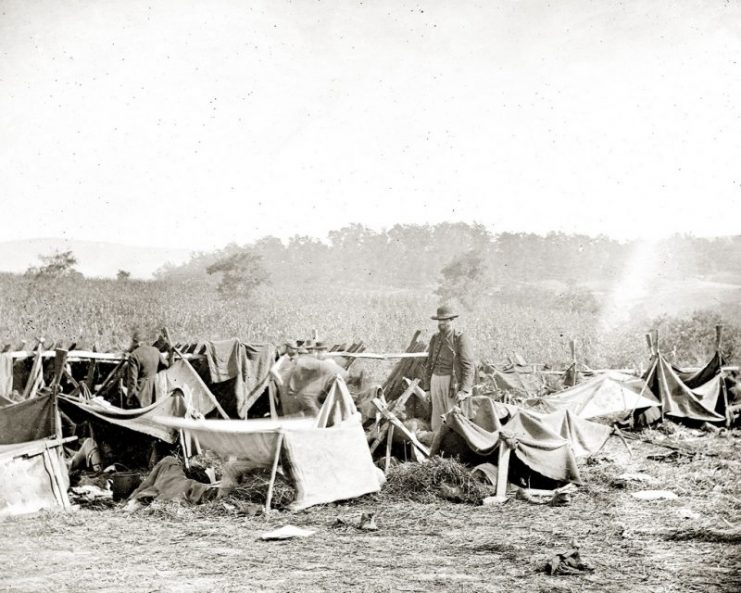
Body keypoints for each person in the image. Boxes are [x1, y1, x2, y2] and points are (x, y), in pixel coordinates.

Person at [424, 305, 475, 431]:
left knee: (452, 416)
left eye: (445, 320)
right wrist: (427, 389)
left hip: (451, 383)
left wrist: (464, 390)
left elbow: (468, 366)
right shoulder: (435, 338)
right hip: (435, 381)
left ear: (451, 320)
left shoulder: (460, 338)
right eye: (440, 320)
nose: (441, 323)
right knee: (437, 417)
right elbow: (429, 364)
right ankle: (437, 440)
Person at [125, 329, 167, 407]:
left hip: (141, 393)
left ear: (135, 341)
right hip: (155, 391)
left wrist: (130, 397)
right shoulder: (155, 351)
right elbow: (166, 365)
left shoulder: (134, 355)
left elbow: (132, 380)